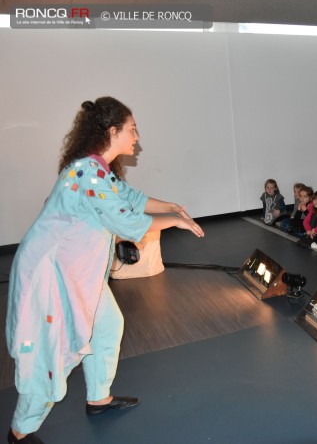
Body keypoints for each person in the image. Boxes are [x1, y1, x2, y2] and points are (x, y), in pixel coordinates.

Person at [6, 97, 205, 444]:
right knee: (49, 353)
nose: (137, 138)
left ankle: (98, 398)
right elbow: (127, 221)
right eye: (132, 130)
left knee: (108, 325)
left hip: (77, 273)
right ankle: (19, 432)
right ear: (112, 131)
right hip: (51, 276)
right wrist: (176, 221)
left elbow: (131, 198)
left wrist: (172, 207)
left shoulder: (97, 170)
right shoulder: (88, 172)